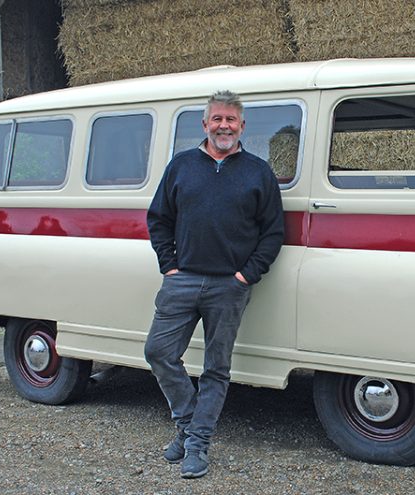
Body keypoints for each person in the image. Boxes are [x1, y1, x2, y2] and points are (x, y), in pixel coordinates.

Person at [144, 90, 284, 479]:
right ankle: (189, 427)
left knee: (216, 369)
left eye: (231, 120)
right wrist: (169, 266)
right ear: (204, 125)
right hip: (182, 280)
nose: (224, 125)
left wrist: (246, 275)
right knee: (158, 352)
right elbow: (159, 218)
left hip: (229, 286)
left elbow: (273, 233)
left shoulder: (259, 172)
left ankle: (197, 445)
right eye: (217, 119)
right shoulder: (181, 166)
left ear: (242, 126)